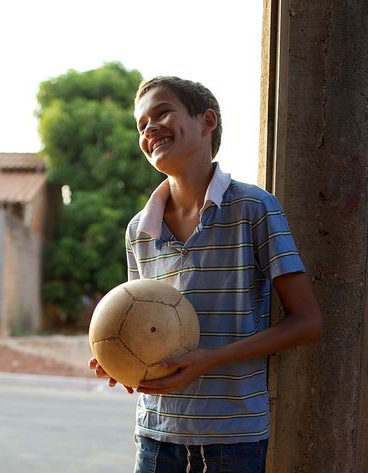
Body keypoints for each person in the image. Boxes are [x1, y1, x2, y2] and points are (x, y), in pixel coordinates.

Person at [89, 76, 323, 472]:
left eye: (162, 112)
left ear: (207, 121)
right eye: (141, 124)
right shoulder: (138, 230)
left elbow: (308, 323)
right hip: (155, 433)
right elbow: (141, 323)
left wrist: (209, 359)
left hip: (232, 437)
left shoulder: (254, 208)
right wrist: (119, 356)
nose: (149, 128)